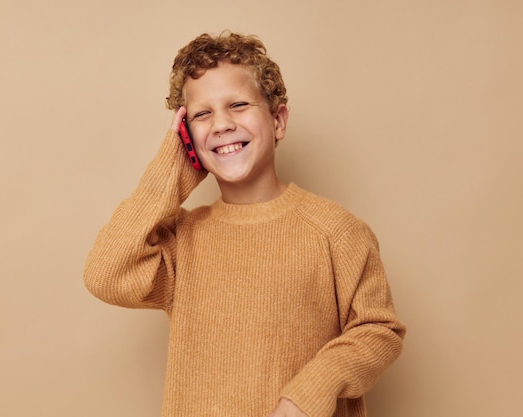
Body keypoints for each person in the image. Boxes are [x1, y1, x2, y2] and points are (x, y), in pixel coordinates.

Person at [84, 31, 406, 417]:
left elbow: (378, 331)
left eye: (237, 105)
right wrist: (172, 168)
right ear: (186, 137)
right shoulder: (183, 241)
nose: (220, 124)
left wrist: (311, 390)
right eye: (202, 115)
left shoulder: (335, 229)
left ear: (278, 120)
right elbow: (105, 273)